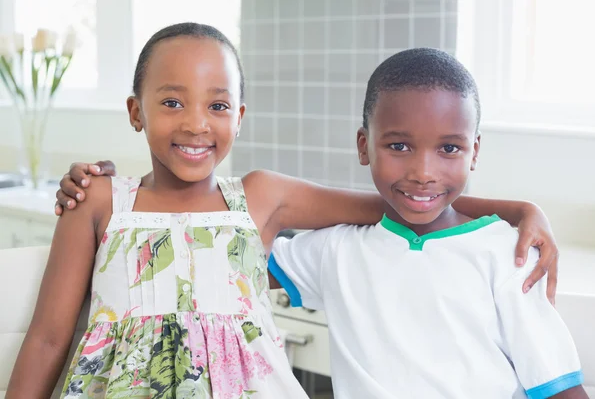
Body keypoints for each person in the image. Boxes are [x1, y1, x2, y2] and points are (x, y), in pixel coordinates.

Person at [44, 23, 558, 398]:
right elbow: (49, 339)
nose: (197, 124)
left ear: (239, 117)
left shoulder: (262, 197)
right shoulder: (98, 200)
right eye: (172, 103)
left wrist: (515, 209)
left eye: (218, 106)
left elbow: (401, 202)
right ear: (136, 110)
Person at [267, 48, 587, 398]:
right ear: (364, 146)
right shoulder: (334, 250)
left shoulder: (509, 256)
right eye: (399, 146)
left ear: (474, 152)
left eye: (449, 149)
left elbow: (562, 390)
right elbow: (226, 259)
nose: (423, 174)